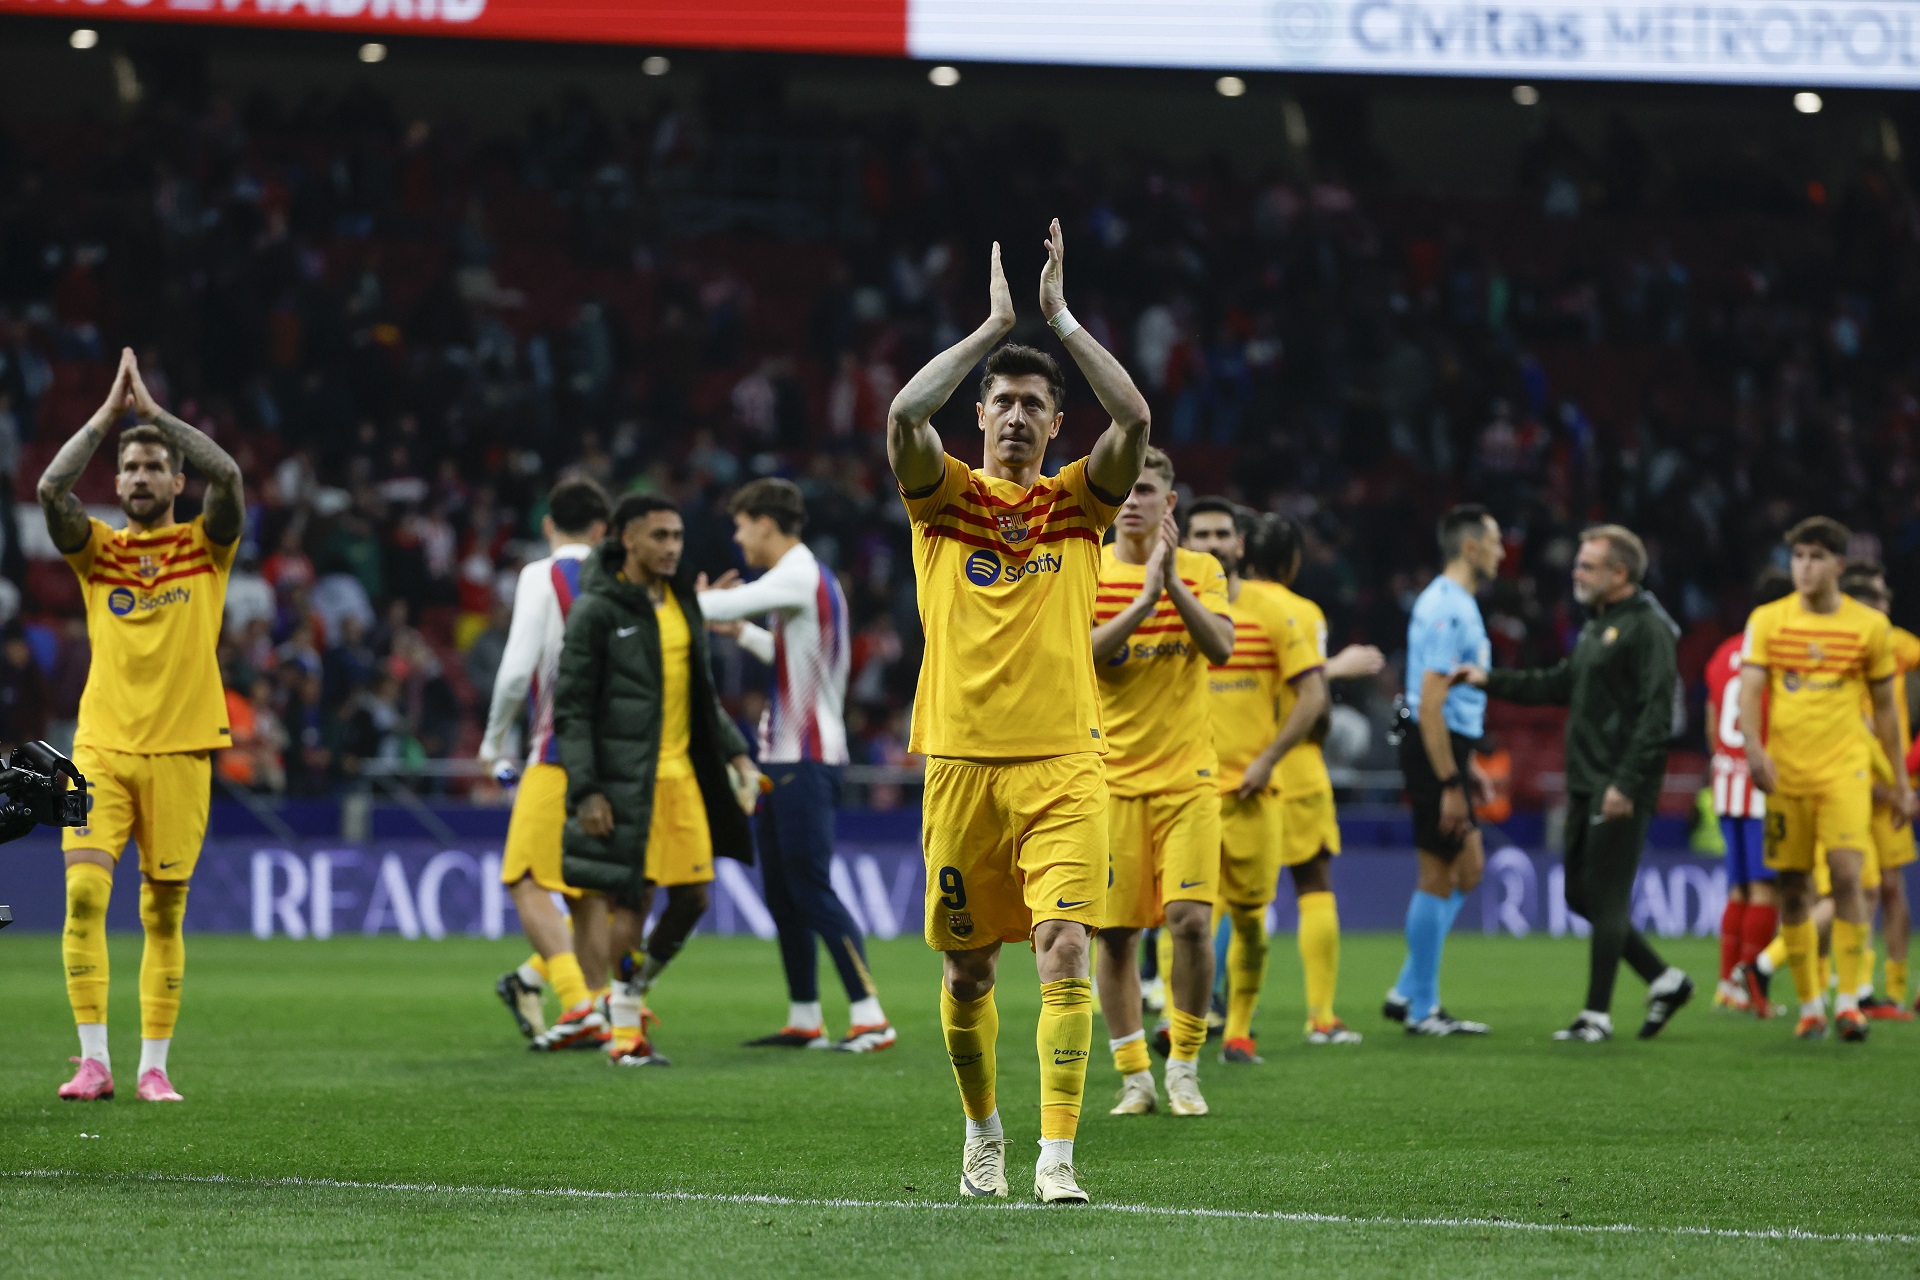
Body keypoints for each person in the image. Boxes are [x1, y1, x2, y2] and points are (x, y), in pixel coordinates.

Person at [887, 222, 1148, 1204]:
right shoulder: (942, 498)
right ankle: (983, 1131)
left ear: (1056, 422)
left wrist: (1061, 319)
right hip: (960, 763)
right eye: (1002, 401)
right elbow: (904, 412)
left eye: (1035, 403)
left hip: (1066, 765)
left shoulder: (1079, 504)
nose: (1016, 415)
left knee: (1066, 945)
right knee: (967, 973)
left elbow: (1136, 418)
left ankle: (1057, 1155)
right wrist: (992, 330)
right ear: (981, 413)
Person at [39, 347, 245, 1103]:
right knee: (84, 898)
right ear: (118, 481)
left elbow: (230, 477)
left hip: (182, 752)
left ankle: (152, 1066)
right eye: (130, 468)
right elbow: (50, 488)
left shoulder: (206, 547)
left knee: (163, 913)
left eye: (155, 466)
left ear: (176, 482)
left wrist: (155, 415)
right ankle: (93, 1061)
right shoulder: (98, 553)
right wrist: (107, 417)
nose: (140, 477)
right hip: (96, 750)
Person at [1454, 524, 1693, 1041]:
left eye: (1587, 566)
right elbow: (1559, 683)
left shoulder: (1648, 628)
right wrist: (1490, 679)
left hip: (1619, 782)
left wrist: (1626, 782)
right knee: (1580, 895)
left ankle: (1595, 1016)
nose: (1576, 574)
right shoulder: (1597, 626)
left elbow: (1656, 716)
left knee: (1605, 897)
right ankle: (1664, 979)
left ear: (1619, 573)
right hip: (1586, 779)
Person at [549, 493, 760, 1065]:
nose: (671, 547)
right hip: (627, 782)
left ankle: (630, 990)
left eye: (677, 536)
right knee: (633, 902)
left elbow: (701, 696)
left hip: (683, 779)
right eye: (659, 536)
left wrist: (738, 755)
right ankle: (625, 1033)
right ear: (626, 539)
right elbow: (571, 709)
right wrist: (586, 790)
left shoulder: (682, 600)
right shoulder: (596, 611)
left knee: (693, 899)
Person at [696, 477, 894, 1052]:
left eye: (741, 527)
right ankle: (806, 1017)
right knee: (784, 894)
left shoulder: (797, 574)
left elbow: (720, 602)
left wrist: (692, 601)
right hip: (786, 758)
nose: (738, 539)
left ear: (765, 523)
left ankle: (871, 1015)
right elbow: (796, 658)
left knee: (810, 889)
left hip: (804, 759)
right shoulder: (809, 580)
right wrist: (742, 634)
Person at [1186, 506, 1385, 1060]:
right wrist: (1335, 672)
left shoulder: (1219, 607)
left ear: (1243, 549)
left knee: (1214, 896)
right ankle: (1320, 1015)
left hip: (1234, 765)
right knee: (1312, 884)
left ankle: (1206, 1008)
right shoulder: (1300, 611)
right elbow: (1312, 698)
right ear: (1292, 561)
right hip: (1292, 768)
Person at [1088, 449, 1232, 1119]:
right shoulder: (1087, 566)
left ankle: (1184, 1067)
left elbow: (1221, 648)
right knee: (1115, 936)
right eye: (1124, 488)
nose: (1132, 500)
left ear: (1169, 503)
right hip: (1110, 780)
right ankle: (1133, 1076)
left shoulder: (1202, 570)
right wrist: (1146, 599)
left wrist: (1171, 584)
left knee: (1191, 923)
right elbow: (1083, 655)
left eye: (1146, 490)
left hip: (1188, 778)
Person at [1738, 517, 1914, 1042]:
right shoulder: (1768, 620)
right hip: (1786, 773)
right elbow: (1750, 690)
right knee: (1793, 888)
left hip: (1844, 772)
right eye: (1798, 557)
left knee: (1848, 876)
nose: (1804, 567)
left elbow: (1886, 710)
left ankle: (1850, 1001)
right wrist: (1754, 750)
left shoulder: (1869, 627)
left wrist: (1900, 782)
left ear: (1837, 564)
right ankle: (1810, 1004)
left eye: (1815, 557)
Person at [478, 477, 612, 1045]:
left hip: (557, 754)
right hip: (615, 762)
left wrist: (492, 742)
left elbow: (516, 672)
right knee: (587, 893)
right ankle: (602, 1009)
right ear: (603, 530)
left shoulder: (542, 575)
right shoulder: (624, 578)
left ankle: (577, 1004)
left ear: (548, 525)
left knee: (527, 878)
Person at [1384, 504, 1500, 1037]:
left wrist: (1466, 765)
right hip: (1434, 747)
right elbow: (1430, 703)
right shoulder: (1448, 609)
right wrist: (1449, 781)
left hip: (1450, 747)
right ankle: (1422, 1008)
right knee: (1438, 873)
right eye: (1494, 541)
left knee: (1468, 868)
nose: (1502, 552)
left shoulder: (1458, 604)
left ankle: (1408, 988)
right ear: (1470, 547)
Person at [1836, 562, 1919, 1020]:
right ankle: (1856, 984)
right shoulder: (1836, 643)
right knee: (1852, 885)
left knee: (1889, 886)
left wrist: (1911, 763)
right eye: (1878, 600)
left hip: (1890, 782)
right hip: (1846, 777)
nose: (1884, 609)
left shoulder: (1897, 644)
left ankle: (1895, 987)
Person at [1712, 570, 1793, 1016]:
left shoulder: (1724, 651)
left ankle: (1728, 986)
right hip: (1763, 786)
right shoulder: (1777, 652)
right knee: (1766, 891)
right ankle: (1752, 988)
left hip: (1727, 783)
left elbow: (1712, 719)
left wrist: (1725, 764)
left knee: (1740, 890)